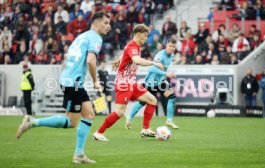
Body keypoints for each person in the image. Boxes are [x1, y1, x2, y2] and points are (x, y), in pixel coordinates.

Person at [16, 13, 111, 164]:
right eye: (105, 23)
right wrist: (95, 81)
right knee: (71, 122)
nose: (109, 26)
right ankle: (32, 122)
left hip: (72, 81)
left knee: (89, 115)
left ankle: (79, 154)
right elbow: (91, 62)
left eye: (109, 23)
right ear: (96, 23)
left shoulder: (81, 36)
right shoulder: (96, 38)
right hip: (73, 82)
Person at [92, 24, 163, 141]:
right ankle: (99, 133)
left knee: (152, 100)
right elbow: (136, 60)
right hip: (124, 83)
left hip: (131, 83)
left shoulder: (132, 46)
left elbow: (126, 52)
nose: (146, 38)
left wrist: (119, 59)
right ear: (138, 35)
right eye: (145, 36)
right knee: (119, 112)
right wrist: (154, 63)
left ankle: (145, 129)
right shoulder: (133, 47)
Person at [126, 38, 179, 129]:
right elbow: (152, 68)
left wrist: (164, 75)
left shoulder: (172, 55)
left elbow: (164, 67)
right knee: (142, 102)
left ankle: (169, 120)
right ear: (166, 45)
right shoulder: (160, 56)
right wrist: (165, 73)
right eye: (170, 46)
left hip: (160, 82)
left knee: (172, 97)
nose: (172, 48)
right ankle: (129, 118)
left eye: (174, 46)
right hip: (151, 82)